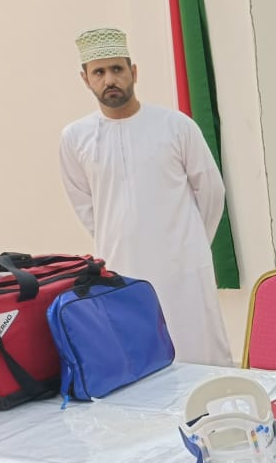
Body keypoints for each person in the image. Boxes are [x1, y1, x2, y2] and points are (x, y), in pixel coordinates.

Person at [59, 28, 233, 366]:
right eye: (99, 72)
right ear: (86, 79)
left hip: (184, 265)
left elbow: (212, 191)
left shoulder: (176, 126)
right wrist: (119, 237)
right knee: (141, 357)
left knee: (199, 350)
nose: (110, 79)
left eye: (117, 69)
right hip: (122, 265)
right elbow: (85, 204)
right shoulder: (75, 138)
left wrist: (192, 242)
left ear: (133, 72)